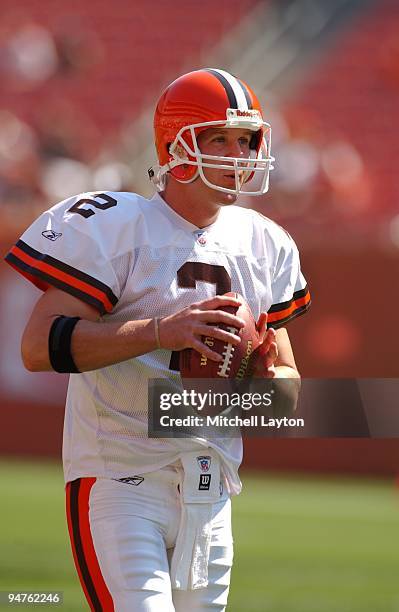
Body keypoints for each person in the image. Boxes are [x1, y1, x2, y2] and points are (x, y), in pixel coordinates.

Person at [5, 68, 311, 611]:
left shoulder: (265, 242)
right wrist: (160, 332)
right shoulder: (115, 226)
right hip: (119, 478)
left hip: (211, 490)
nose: (238, 154)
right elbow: (37, 347)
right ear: (178, 145)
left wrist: (261, 383)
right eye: (220, 137)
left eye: (246, 141)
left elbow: (287, 393)